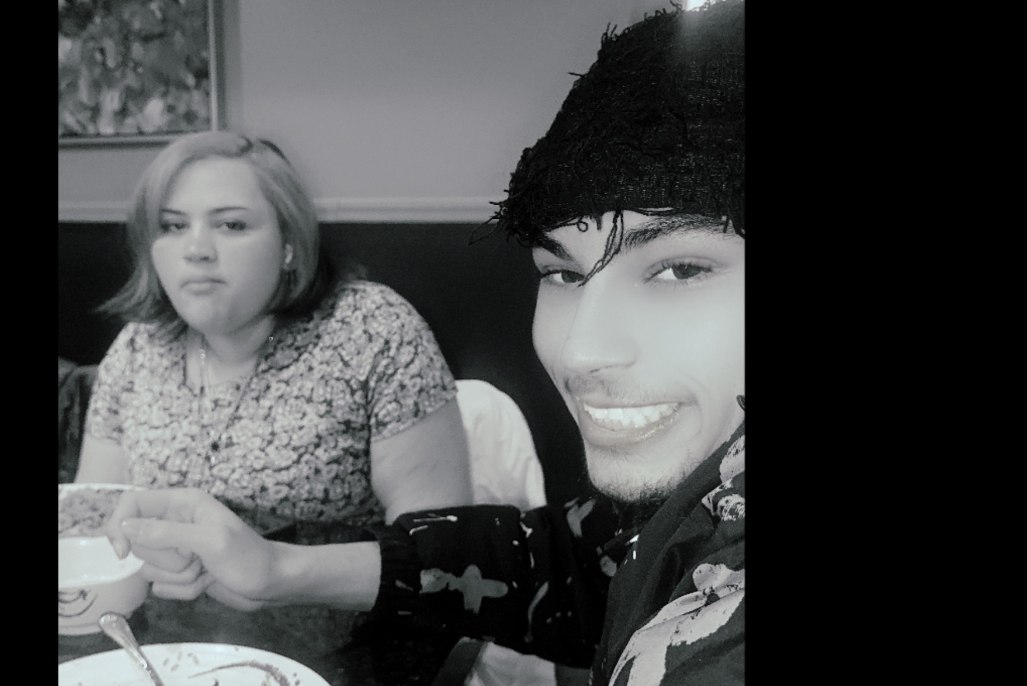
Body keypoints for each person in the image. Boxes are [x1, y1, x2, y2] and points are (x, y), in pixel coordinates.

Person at [104, 2, 745, 684]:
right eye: (562, 272)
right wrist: (275, 569)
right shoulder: (689, 506)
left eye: (682, 269)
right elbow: (577, 565)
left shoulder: (368, 329)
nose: (581, 350)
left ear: (289, 242)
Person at [74, 131, 474, 532]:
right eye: (173, 225)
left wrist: (272, 565)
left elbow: (440, 549)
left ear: (289, 246)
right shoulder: (138, 347)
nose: (195, 250)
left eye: (231, 225)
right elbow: (92, 521)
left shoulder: (373, 330)